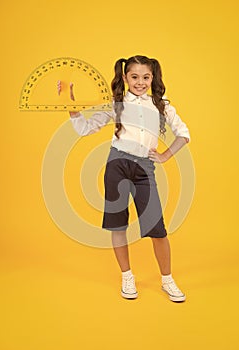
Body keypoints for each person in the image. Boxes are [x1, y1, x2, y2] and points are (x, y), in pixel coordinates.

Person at [69, 55, 190, 302]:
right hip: (117, 166)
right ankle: (127, 276)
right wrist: (71, 105)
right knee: (118, 224)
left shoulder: (162, 105)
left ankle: (167, 279)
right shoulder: (117, 103)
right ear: (125, 78)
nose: (140, 82)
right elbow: (85, 128)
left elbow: (184, 133)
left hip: (145, 169)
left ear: (153, 77)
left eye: (146, 77)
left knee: (157, 229)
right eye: (134, 77)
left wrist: (166, 154)